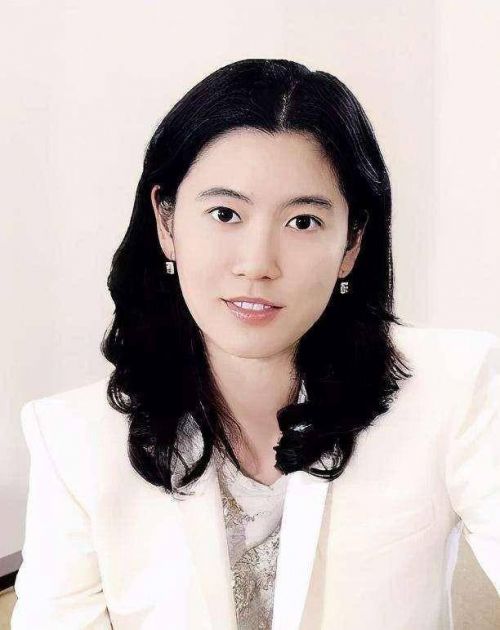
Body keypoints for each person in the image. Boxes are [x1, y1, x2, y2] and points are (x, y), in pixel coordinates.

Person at [11, 58, 499, 630]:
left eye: (303, 222)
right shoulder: (73, 440)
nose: (257, 263)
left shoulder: (457, 388)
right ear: (167, 223)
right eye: (225, 214)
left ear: (352, 243)